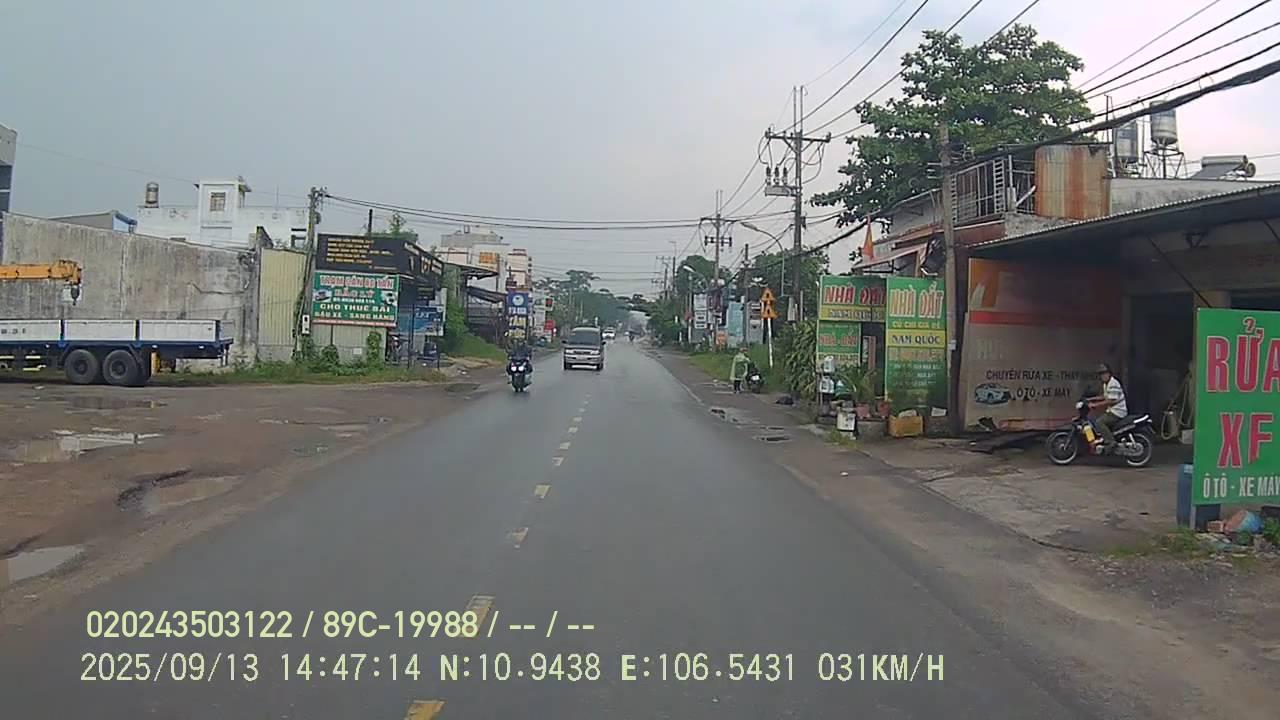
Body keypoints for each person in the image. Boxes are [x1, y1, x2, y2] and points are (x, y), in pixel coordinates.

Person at [1088, 362, 1127, 450]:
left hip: (1118, 412)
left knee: (1099, 422)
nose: (1103, 376)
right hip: (1112, 411)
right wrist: (1091, 399)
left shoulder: (1113, 383)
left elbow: (1111, 401)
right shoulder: (1106, 384)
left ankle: (1110, 442)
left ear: (1109, 373)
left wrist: (1095, 405)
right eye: (1101, 374)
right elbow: (1105, 396)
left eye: (1104, 373)